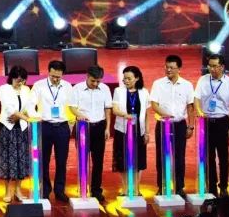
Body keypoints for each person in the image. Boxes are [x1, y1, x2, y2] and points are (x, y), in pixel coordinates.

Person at [149, 54, 195, 195]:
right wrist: (165, 115)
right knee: (162, 156)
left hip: (180, 125)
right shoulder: (158, 84)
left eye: (172, 67)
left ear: (179, 69)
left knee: (179, 157)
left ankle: (179, 187)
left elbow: (190, 106)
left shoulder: (187, 85)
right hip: (163, 124)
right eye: (167, 67)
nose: (168, 70)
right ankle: (162, 186)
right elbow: (154, 104)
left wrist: (191, 126)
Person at [193, 54, 229, 196]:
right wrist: (199, 111)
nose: (211, 69)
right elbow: (196, 98)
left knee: (223, 157)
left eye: (214, 66)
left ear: (222, 67)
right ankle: (211, 187)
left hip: (222, 122)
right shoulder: (203, 80)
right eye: (210, 66)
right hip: (206, 122)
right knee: (208, 157)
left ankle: (223, 186)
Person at [68, 65, 113, 204]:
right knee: (82, 159)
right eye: (93, 81)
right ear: (87, 76)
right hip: (83, 127)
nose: (95, 84)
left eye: (98, 81)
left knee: (98, 161)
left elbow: (107, 109)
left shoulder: (105, 89)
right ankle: (82, 188)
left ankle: (96, 190)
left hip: (99, 126)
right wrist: (80, 115)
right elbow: (72, 107)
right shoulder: (77, 88)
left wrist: (107, 128)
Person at [30, 60, 74, 203]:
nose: (55, 79)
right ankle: (45, 190)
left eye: (58, 77)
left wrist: (71, 123)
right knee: (43, 160)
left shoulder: (67, 86)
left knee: (61, 160)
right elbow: (31, 104)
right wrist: (36, 118)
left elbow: (73, 106)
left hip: (62, 126)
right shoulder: (39, 86)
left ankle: (59, 190)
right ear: (48, 72)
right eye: (53, 76)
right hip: (45, 126)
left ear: (62, 75)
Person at [0, 66, 37, 203]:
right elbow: (9, 108)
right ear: (11, 78)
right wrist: (26, 118)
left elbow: (29, 107)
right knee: (7, 159)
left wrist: (31, 117)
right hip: (7, 127)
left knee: (21, 159)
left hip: (22, 128)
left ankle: (18, 190)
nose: (20, 83)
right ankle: (8, 190)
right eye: (17, 80)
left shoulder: (26, 90)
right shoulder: (4, 89)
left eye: (22, 80)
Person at [111, 65, 151, 192]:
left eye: (129, 78)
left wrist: (147, 132)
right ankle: (125, 188)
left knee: (138, 160)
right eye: (124, 78)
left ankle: (135, 188)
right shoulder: (118, 91)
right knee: (122, 160)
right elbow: (114, 110)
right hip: (122, 130)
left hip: (139, 131)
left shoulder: (144, 92)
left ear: (137, 78)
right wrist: (125, 115)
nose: (126, 81)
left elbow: (147, 115)